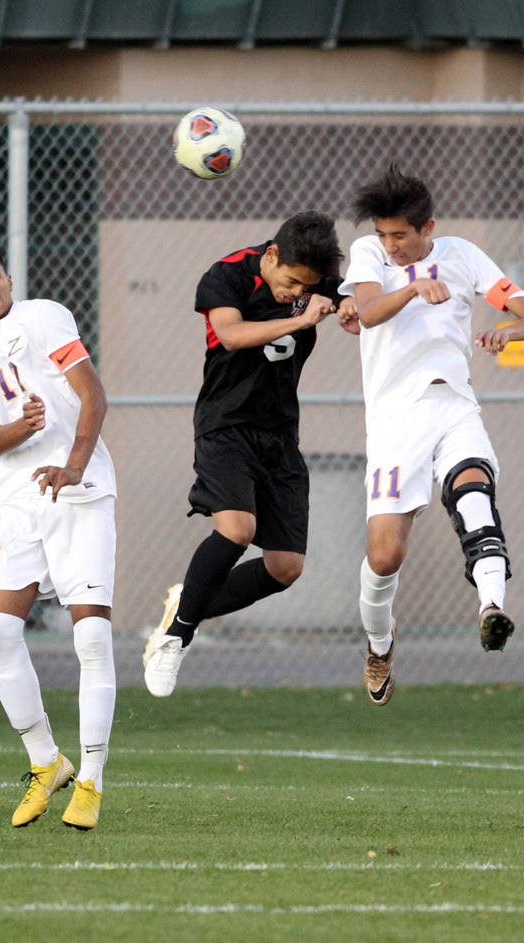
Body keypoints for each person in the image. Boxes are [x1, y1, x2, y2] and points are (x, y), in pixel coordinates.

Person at [337, 163, 524, 705]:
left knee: (474, 492)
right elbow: (366, 312)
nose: (391, 245)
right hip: (395, 421)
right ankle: (379, 643)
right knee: (385, 556)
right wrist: (412, 289)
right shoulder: (369, 255)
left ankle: (490, 609)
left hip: (454, 405)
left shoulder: (461, 255)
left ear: (427, 227)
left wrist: (509, 330)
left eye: (401, 236)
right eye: (384, 234)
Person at [143, 211, 351, 697]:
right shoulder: (227, 275)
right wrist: (301, 317)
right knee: (238, 529)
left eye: (306, 285)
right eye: (291, 281)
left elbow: (357, 306)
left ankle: (188, 601)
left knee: (285, 567)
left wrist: (349, 309)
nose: (293, 290)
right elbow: (232, 335)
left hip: (279, 435)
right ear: (272, 255)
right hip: (226, 425)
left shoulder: (318, 284)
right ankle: (176, 637)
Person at [0, 242, 117, 831]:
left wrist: (73, 464)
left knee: (92, 637)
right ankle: (47, 761)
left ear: (10, 278)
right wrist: (23, 425)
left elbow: (93, 394)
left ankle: (93, 778)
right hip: (19, 505)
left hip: (81, 492)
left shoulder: (44, 316)